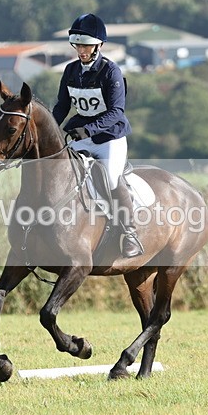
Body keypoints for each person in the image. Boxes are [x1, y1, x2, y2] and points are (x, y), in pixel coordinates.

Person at [52, 13, 144, 258]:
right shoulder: (71, 71)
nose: (81, 50)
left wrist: (89, 130)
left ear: (99, 46)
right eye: (78, 45)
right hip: (81, 135)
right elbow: (62, 106)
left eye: (86, 46)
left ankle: (130, 232)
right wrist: (51, 129)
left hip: (109, 138)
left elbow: (116, 112)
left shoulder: (110, 71)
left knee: (111, 179)